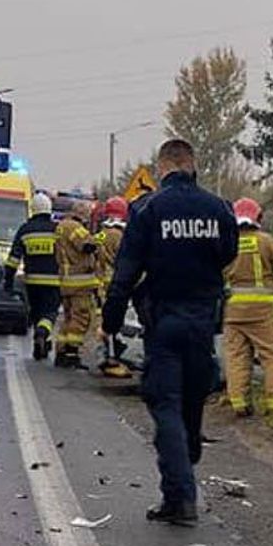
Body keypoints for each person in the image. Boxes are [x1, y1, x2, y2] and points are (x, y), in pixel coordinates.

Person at [101, 139, 238, 526]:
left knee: (165, 404)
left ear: (161, 168)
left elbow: (125, 272)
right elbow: (227, 253)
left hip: (163, 322)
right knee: (192, 400)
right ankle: (188, 452)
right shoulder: (218, 209)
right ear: (192, 166)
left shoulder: (148, 210)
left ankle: (180, 498)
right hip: (203, 322)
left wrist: (111, 319)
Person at [223, 197, 273, 416]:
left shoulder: (226, 242)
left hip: (233, 313)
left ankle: (239, 403)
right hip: (262, 313)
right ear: (257, 217)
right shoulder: (265, 241)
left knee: (236, 358)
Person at [4, 192, 62, 360]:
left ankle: (39, 340)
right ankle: (42, 334)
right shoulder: (57, 229)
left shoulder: (25, 230)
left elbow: (13, 259)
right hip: (54, 282)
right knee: (50, 312)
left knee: (37, 313)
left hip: (32, 282)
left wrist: (8, 281)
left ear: (33, 209)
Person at [54, 199, 100, 368]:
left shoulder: (61, 226)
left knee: (68, 319)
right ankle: (72, 353)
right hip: (80, 282)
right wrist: (100, 239)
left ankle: (61, 351)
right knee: (81, 318)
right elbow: (87, 245)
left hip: (67, 281)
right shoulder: (74, 227)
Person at [95, 196, 131, 378]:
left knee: (102, 321)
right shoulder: (119, 237)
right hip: (113, 284)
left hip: (98, 283)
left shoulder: (100, 235)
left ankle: (106, 355)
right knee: (111, 323)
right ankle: (109, 360)